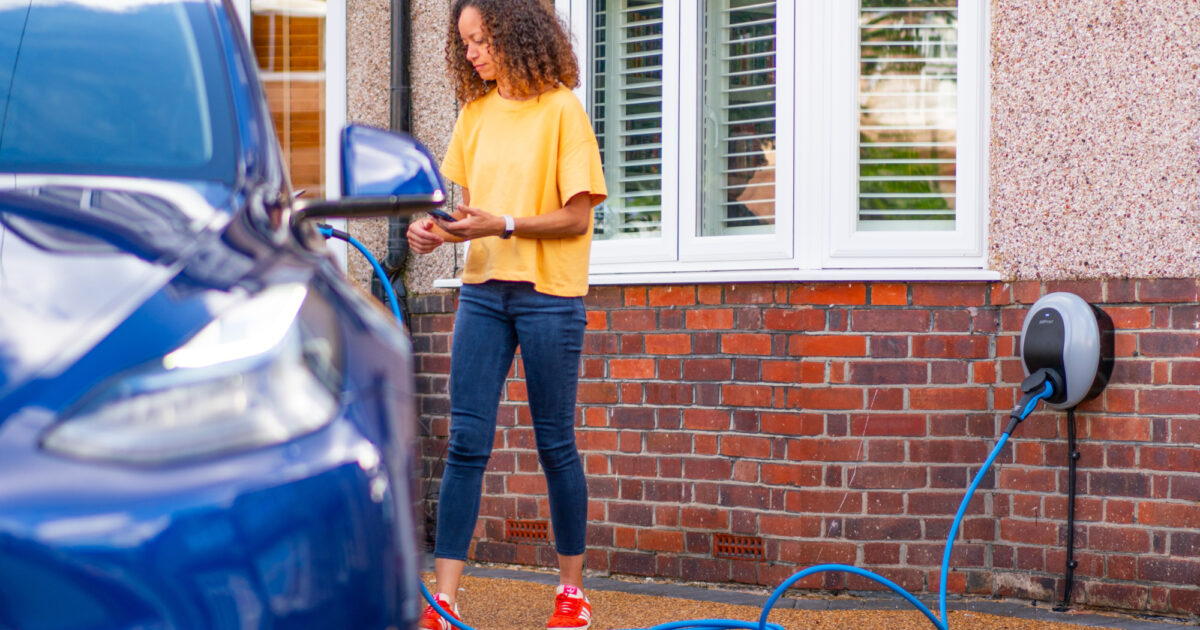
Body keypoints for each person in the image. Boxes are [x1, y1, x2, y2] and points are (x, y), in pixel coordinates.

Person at [406, 1, 606, 628]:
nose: (471, 54)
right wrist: (436, 232)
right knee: (466, 443)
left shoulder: (562, 111)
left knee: (555, 444)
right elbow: (471, 216)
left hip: (550, 295)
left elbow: (577, 215)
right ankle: (445, 600)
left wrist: (507, 223)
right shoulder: (475, 115)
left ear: (515, 35)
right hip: (485, 293)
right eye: (464, 44)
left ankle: (571, 595)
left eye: (481, 40)